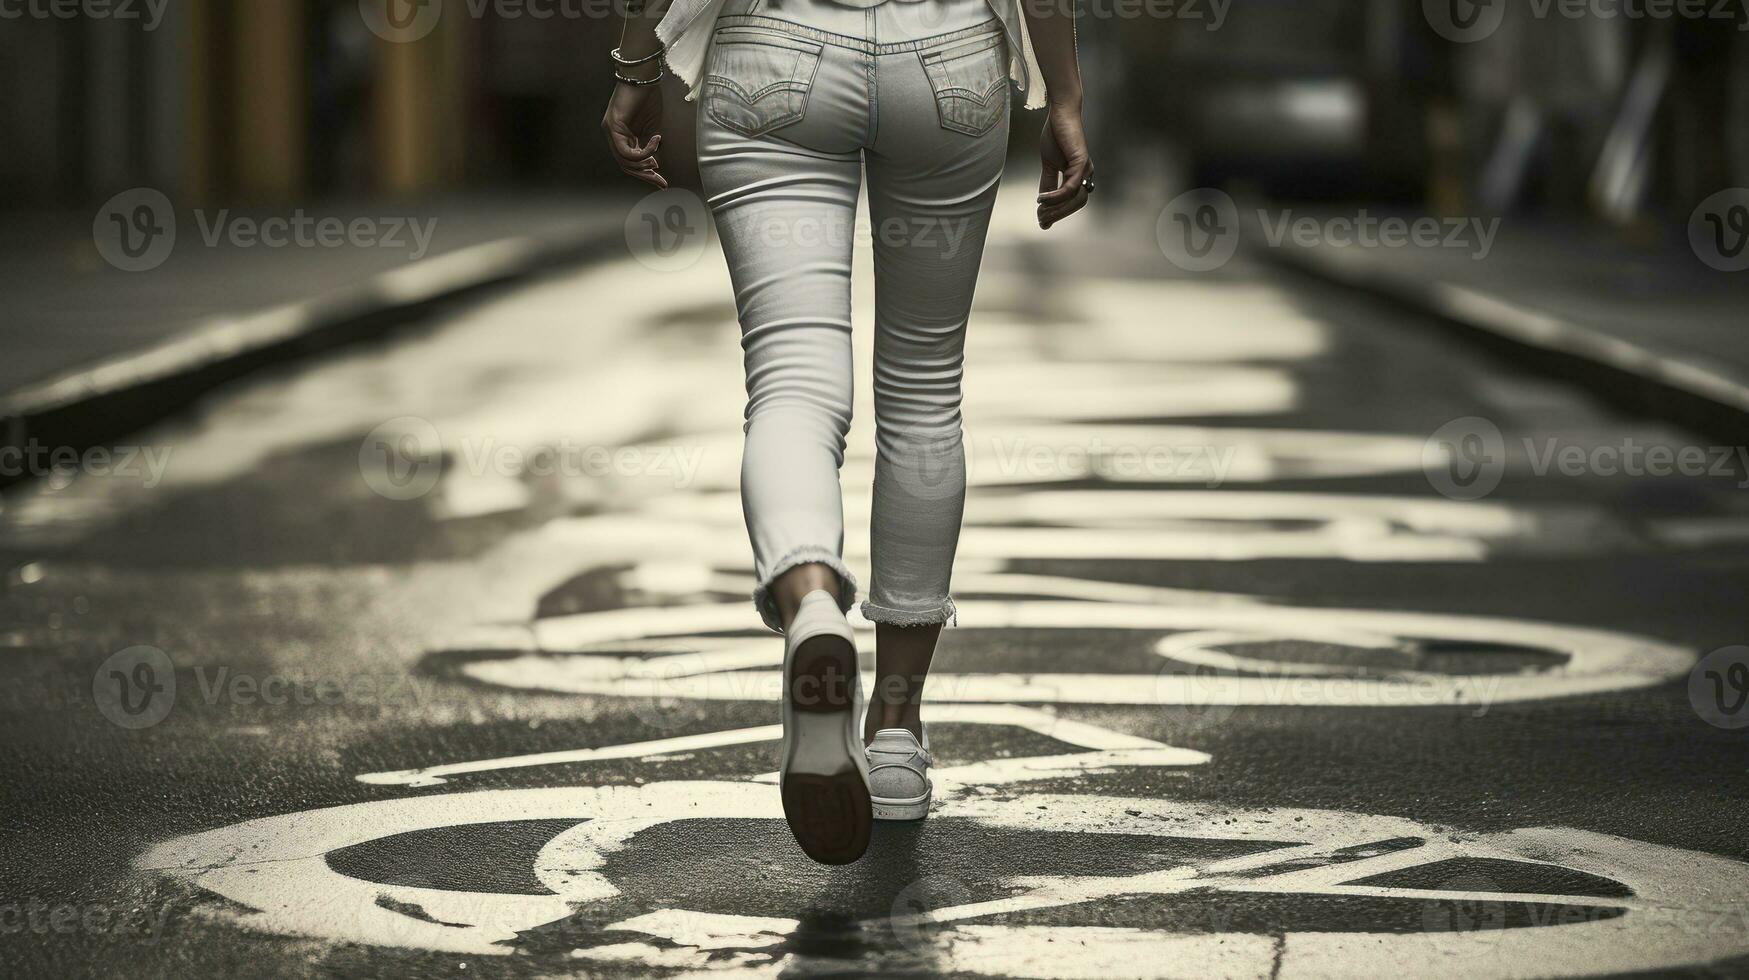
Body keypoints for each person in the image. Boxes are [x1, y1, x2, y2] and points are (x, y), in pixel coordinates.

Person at [603, 0, 1093, 864]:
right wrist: (1063, 97)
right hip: (949, 62)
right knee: (923, 388)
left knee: (791, 376)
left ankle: (811, 602)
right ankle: (896, 733)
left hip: (771, 54)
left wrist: (637, 67)